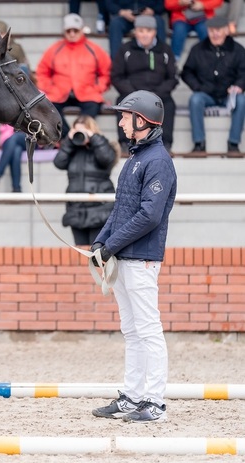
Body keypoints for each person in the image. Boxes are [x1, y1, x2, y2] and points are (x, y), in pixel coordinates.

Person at [90, 90, 176, 424]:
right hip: (125, 257)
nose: (121, 122)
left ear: (142, 120)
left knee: (148, 329)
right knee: (132, 329)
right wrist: (101, 241)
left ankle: (154, 402)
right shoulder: (136, 158)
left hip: (141, 258)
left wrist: (112, 245)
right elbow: (121, 209)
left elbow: (149, 216)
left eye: (126, 117)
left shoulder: (158, 161)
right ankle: (132, 396)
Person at [35, 13, 111, 137]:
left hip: (87, 92)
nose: (72, 34)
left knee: (92, 106)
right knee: (49, 109)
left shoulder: (94, 49)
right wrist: (49, 88)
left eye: (75, 30)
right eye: (68, 31)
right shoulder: (54, 49)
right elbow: (42, 72)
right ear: (64, 32)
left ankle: (80, 135)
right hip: (59, 93)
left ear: (81, 30)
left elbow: (106, 72)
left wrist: (98, 88)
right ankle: (67, 138)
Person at [110, 15, 178, 154]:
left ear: (155, 32)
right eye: (141, 31)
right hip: (132, 93)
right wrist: (133, 94)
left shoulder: (165, 50)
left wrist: (156, 94)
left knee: (169, 104)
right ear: (135, 32)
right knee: (122, 103)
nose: (145, 35)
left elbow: (173, 77)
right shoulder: (125, 49)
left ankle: (165, 143)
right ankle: (125, 143)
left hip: (158, 94)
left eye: (148, 30)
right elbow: (116, 76)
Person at [181, 15, 245, 154]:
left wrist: (239, 86)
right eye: (212, 30)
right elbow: (187, 72)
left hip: (229, 96)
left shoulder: (238, 50)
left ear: (226, 30)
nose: (215, 34)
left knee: (242, 100)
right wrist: (198, 87)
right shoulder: (197, 49)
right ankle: (199, 143)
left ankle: (233, 144)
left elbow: (244, 72)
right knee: (195, 99)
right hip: (206, 94)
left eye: (219, 30)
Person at [53, 115, 118, 245]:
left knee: (97, 251)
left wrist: (93, 138)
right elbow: (59, 163)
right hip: (76, 210)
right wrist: (69, 141)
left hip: (100, 209)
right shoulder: (72, 150)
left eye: (83, 131)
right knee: (80, 252)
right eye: (77, 131)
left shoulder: (103, 145)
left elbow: (107, 159)